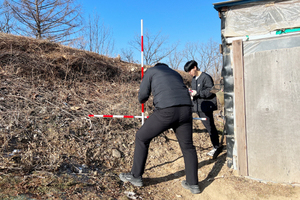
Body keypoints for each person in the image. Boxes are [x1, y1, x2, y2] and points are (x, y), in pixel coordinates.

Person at [119, 63, 200, 194]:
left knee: (141, 137)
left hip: (166, 111)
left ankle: (135, 176)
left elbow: (142, 96)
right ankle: (193, 184)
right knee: (188, 147)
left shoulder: (151, 71)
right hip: (186, 110)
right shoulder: (175, 73)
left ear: (156, 66)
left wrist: (145, 98)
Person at [184, 60, 223, 159]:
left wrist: (197, 93)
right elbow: (195, 92)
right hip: (196, 106)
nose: (189, 73)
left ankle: (216, 146)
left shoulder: (206, 77)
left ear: (195, 67)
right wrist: (192, 94)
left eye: (190, 70)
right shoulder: (194, 79)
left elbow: (211, 91)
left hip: (206, 106)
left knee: (210, 127)